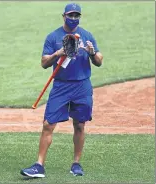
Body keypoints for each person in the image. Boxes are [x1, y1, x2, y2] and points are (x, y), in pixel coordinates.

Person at [20, 3, 103, 178]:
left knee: (79, 125)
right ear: (63, 16)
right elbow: (44, 63)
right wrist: (57, 53)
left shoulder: (87, 35)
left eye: (76, 16)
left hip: (82, 86)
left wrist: (92, 52)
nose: (73, 19)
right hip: (61, 86)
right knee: (48, 124)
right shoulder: (53, 37)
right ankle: (39, 166)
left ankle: (76, 164)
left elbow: (99, 61)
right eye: (70, 15)